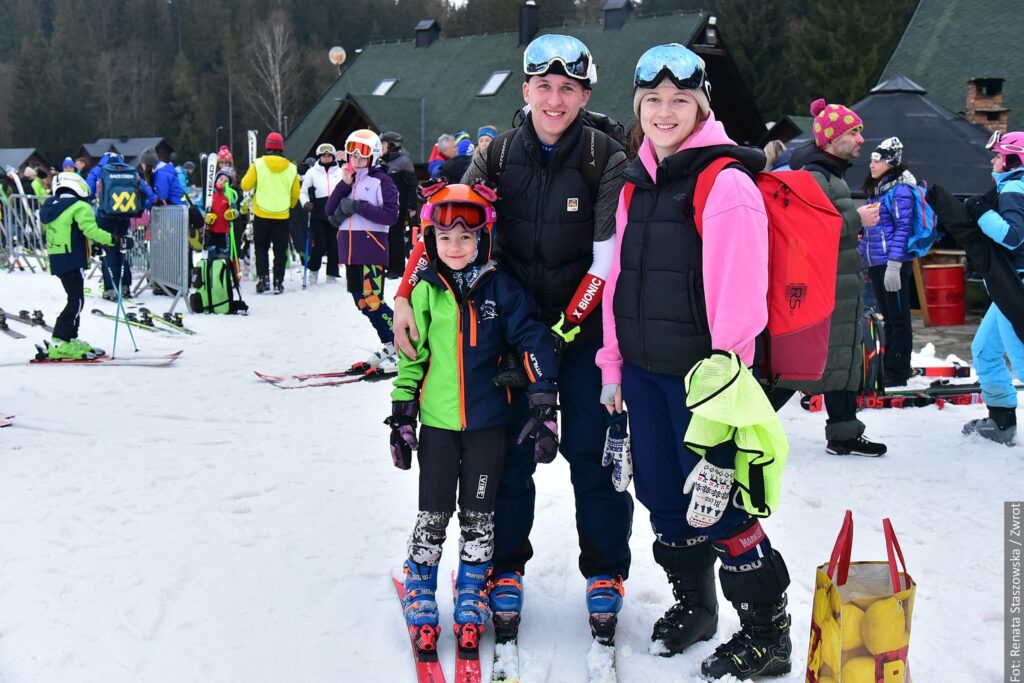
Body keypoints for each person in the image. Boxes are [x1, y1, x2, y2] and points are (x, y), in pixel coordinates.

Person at [393, 33, 633, 646]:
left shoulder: (606, 157)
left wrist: (562, 329)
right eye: (544, 87)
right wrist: (403, 295)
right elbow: (445, 221)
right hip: (501, 332)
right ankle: (504, 566)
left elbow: (604, 261)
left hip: (578, 330)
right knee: (507, 460)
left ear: (584, 94)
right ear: (525, 91)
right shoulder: (496, 156)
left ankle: (604, 570)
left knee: (590, 450)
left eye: (568, 89)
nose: (555, 100)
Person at [595, 43, 792, 680]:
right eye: (652, 100)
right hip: (646, 376)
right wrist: (612, 365)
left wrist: (721, 395)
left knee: (723, 502)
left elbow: (738, 301)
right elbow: (619, 279)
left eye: (680, 100)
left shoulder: (726, 183)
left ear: (702, 106)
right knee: (662, 496)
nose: (664, 111)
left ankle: (768, 633)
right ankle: (696, 606)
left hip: (708, 384)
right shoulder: (637, 183)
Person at [389, 182, 559, 655]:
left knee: (480, 518)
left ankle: (471, 588)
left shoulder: (503, 291)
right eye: (445, 239)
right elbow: (411, 359)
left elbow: (533, 342)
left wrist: (544, 403)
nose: (456, 247)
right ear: (430, 243)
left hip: (489, 427)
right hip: (439, 428)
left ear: (484, 239)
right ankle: (420, 580)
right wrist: (402, 416)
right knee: (435, 512)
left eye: (466, 237)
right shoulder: (424, 294)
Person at [772, 98, 888, 456]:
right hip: (822, 288)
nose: (860, 140)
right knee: (798, 367)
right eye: (853, 132)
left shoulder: (830, 174)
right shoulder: (813, 177)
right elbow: (804, 230)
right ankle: (738, 429)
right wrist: (858, 220)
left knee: (842, 360)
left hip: (840, 286)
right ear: (831, 137)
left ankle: (844, 434)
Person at [961, 130, 1024, 445]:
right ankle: (1001, 422)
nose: (993, 160)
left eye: (998, 155)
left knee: (1022, 360)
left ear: (1014, 159)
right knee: (984, 351)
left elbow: (1012, 236)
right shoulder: (1013, 186)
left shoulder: (1014, 186)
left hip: (1015, 288)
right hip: (1007, 289)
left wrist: (980, 211)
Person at [325, 129, 399, 368]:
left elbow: (391, 215)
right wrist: (344, 186)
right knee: (362, 301)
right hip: (350, 251)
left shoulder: (382, 181)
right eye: (352, 155)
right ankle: (389, 343)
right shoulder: (348, 179)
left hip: (372, 250)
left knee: (373, 300)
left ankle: (402, 345)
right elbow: (329, 211)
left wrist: (359, 206)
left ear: (373, 155)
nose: (356, 160)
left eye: (362, 155)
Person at [861, 136, 918, 387]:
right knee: (888, 316)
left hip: (892, 264)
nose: (872, 165)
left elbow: (903, 228)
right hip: (877, 263)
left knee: (898, 318)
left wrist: (895, 264)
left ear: (890, 162)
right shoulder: (879, 190)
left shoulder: (900, 190)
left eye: (877, 160)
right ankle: (890, 365)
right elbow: (871, 230)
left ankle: (898, 370)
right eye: (871, 160)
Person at [40, 172, 115, 359]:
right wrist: (113, 240)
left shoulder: (51, 206)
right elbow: (90, 229)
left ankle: (70, 338)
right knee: (76, 300)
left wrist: (90, 246)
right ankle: (59, 340)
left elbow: (70, 231)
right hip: (73, 259)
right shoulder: (79, 206)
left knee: (75, 299)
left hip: (59, 257)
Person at [86, 152, 155, 300]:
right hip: (124, 217)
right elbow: (148, 194)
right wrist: (142, 208)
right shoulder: (130, 171)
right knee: (122, 250)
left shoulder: (99, 170)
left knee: (107, 251)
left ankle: (111, 289)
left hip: (104, 216)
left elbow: (88, 191)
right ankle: (125, 287)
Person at [240, 132, 300, 294]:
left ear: (267, 146)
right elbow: (295, 194)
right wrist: (290, 206)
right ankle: (278, 281)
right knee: (280, 250)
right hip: (282, 215)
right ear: (281, 148)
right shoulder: (292, 168)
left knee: (261, 248)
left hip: (262, 213)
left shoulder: (258, 164)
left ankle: (263, 279)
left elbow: (245, 185)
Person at [300, 143, 344, 284]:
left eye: (329, 156)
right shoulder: (312, 172)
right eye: (323, 156)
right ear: (319, 157)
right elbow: (303, 192)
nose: (326, 158)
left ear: (333, 157)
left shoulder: (340, 172)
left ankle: (332, 273)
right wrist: (306, 202)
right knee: (319, 245)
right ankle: (313, 270)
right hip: (318, 213)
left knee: (334, 245)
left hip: (335, 213)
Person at [381, 131, 419, 279]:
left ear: (392, 145)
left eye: (383, 144)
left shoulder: (403, 161)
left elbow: (411, 184)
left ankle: (396, 268)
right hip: (383, 205)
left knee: (396, 235)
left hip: (399, 206)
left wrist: (412, 205)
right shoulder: (382, 161)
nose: (381, 146)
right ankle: (386, 264)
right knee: (385, 235)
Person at [204, 170, 239, 260]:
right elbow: (199, 206)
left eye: (226, 181)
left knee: (223, 257)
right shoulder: (209, 194)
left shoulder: (229, 195)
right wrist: (205, 215)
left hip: (224, 231)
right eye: (221, 179)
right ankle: (211, 272)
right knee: (211, 256)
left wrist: (232, 213)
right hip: (210, 230)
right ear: (216, 179)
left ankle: (224, 272)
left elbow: (235, 211)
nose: (222, 182)